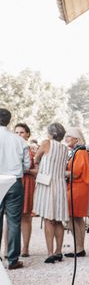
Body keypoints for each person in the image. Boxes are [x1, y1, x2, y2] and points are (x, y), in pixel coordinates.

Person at [34, 123, 69, 263]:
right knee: (58, 219)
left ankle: (50, 253)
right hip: (60, 184)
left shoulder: (46, 143)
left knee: (48, 219)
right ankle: (59, 251)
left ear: (50, 133)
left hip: (47, 183)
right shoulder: (64, 148)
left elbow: (36, 158)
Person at [0, 109, 30, 270]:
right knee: (13, 221)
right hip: (13, 182)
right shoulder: (18, 140)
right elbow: (26, 166)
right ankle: (12, 259)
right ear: (9, 121)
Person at [64, 127, 89, 257]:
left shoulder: (80, 152)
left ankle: (79, 247)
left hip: (77, 187)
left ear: (76, 138)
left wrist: (61, 172)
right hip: (79, 187)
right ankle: (80, 248)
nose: (66, 138)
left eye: (68, 136)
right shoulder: (79, 151)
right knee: (78, 218)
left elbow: (75, 173)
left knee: (72, 217)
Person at [13, 123, 37, 258]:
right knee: (10, 217)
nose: (19, 135)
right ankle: (7, 249)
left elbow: (38, 171)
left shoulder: (32, 151)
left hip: (27, 182)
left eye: (21, 132)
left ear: (28, 134)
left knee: (26, 216)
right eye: (16, 132)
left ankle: (25, 248)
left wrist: (26, 170)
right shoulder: (10, 149)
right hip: (13, 180)